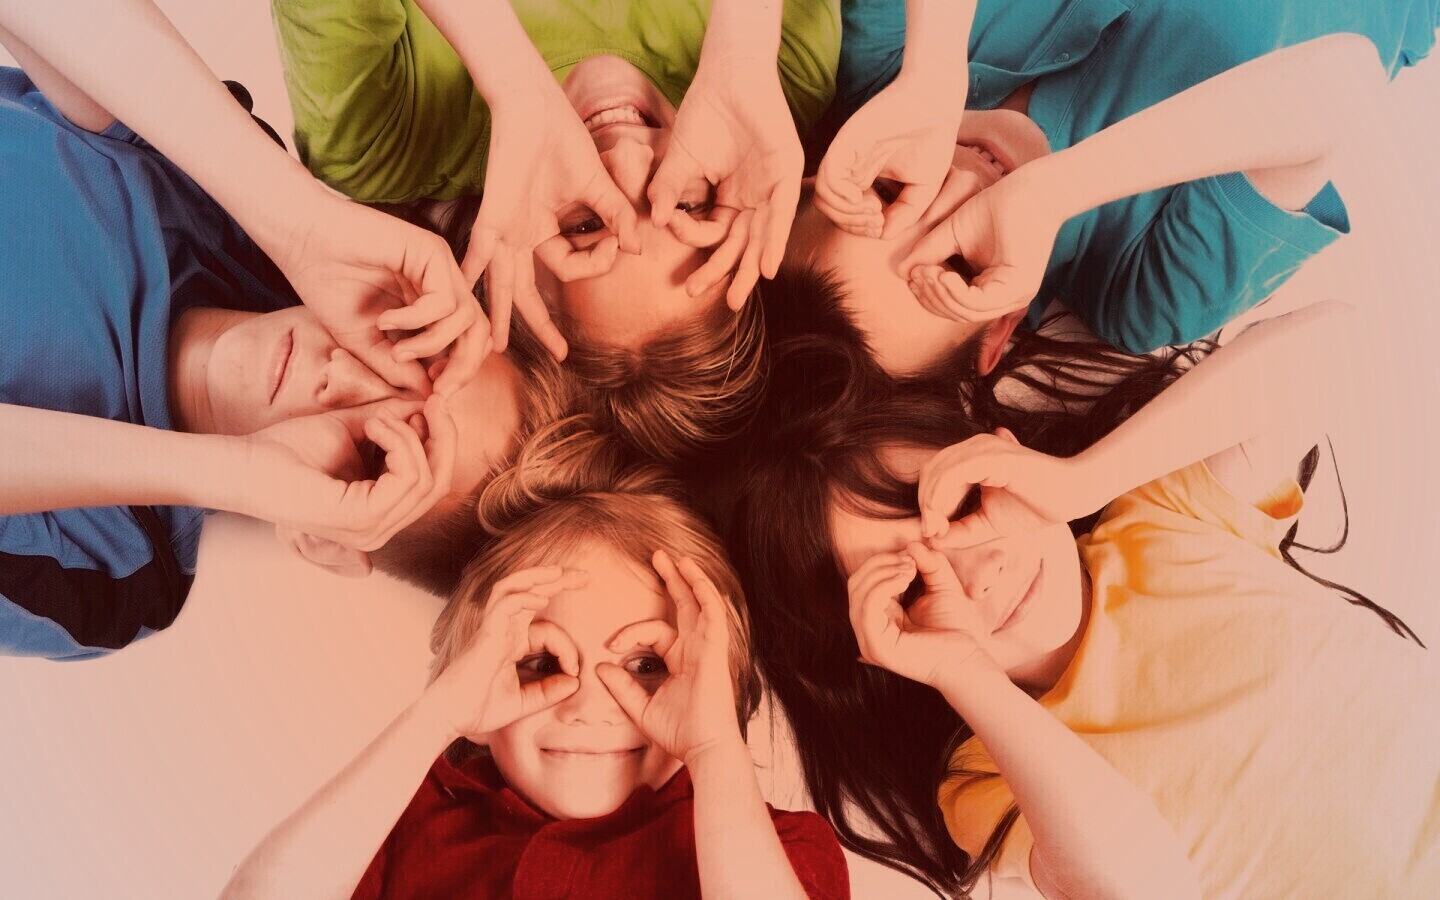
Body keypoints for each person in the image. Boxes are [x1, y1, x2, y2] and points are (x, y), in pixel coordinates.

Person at [714, 300, 1430, 893]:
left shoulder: (1162, 518)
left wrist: (1082, 480)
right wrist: (962, 671)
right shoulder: (988, 776)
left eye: (962, 503)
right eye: (909, 585)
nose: (977, 571)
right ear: (885, 647)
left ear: (1000, 451)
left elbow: (1344, 340)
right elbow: (1141, 884)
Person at [0, 51, 570, 658]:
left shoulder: (114, 575)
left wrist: (235, 471)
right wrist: (297, 221)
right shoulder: (237, 213)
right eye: (412, 348)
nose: (341, 374)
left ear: (329, 541)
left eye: (376, 452)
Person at [220, 418, 850, 899]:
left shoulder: (774, 849)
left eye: (645, 665)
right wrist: (439, 714)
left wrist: (714, 750)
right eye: (541, 663)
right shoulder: (403, 826)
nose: (587, 707)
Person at [271, 0, 839, 459]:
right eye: (685, 202)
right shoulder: (772, 92)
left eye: (586, 224)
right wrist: (743, 47)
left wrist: (512, 80)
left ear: (514, 271)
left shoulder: (378, 136)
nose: (627, 158)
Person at [811, 0, 1440, 359]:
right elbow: (1345, 82)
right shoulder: (1141, 292)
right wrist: (1055, 190)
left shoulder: (885, 78)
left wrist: (931, 67)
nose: (959, 185)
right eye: (955, 265)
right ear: (998, 332)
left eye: (887, 197)